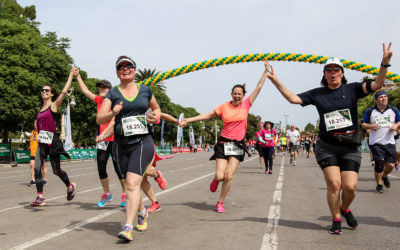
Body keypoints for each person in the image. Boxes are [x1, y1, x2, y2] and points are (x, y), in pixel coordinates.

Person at [266, 42, 392, 234]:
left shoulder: (352, 89)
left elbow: (377, 84)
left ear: (342, 73)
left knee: (350, 187)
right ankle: (336, 219)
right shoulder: (317, 94)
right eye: (328, 70)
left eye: (336, 69)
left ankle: (344, 209)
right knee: (334, 184)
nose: (332, 72)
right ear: (324, 74)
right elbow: (293, 98)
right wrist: (275, 80)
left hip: (350, 146)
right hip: (327, 146)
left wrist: (384, 64)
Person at [179, 61, 269, 213]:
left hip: (238, 145)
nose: (237, 95)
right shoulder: (224, 106)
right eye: (235, 93)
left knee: (229, 176)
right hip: (223, 143)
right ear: (231, 94)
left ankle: (220, 202)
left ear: (243, 95)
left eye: (240, 93)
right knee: (220, 175)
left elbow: (258, 87)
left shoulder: (247, 104)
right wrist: (189, 119)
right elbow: (208, 115)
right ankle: (216, 180)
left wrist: (265, 72)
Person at [97, 56, 161, 241]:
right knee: (131, 184)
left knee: (132, 184)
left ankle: (127, 227)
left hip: (142, 142)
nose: (125, 69)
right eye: (121, 67)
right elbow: (100, 119)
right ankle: (142, 211)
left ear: (134, 69)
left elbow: (156, 109)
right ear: (117, 72)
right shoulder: (112, 94)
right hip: (120, 145)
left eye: (129, 66)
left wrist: (153, 117)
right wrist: (112, 112)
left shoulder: (145, 90)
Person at [74, 71, 127, 207]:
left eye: (104, 87)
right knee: (101, 167)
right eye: (100, 87)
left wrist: (105, 134)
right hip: (102, 141)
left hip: (114, 138)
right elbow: (85, 91)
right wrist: (77, 76)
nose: (101, 89)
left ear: (109, 90)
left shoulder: (115, 102)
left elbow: (113, 120)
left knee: (118, 168)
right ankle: (107, 194)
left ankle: (125, 194)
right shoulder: (98, 100)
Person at [30, 68, 77, 207]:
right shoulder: (40, 109)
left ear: (51, 94)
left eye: (47, 91)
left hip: (53, 142)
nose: (44, 92)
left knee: (56, 170)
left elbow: (63, 92)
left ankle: (70, 186)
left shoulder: (54, 106)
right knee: (37, 167)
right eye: (42, 90)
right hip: (42, 142)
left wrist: (70, 75)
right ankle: (40, 197)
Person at [361, 91, 400, 193]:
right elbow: (363, 124)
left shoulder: (394, 110)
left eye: (385, 96)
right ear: (376, 99)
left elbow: (399, 121)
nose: (384, 98)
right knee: (379, 163)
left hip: (390, 142)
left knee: (391, 165)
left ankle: (385, 175)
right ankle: (379, 185)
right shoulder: (370, 111)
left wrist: (396, 125)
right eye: (381, 97)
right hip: (376, 142)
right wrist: (370, 126)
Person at [25, 120, 47, 186]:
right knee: (32, 165)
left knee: (43, 165)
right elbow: (32, 141)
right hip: (33, 152)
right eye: (34, 123)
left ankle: (45, 179)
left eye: (36, 123)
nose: (34, 125)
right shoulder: (33, 132)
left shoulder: (42, 132)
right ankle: (33, 180)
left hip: (40, 152)